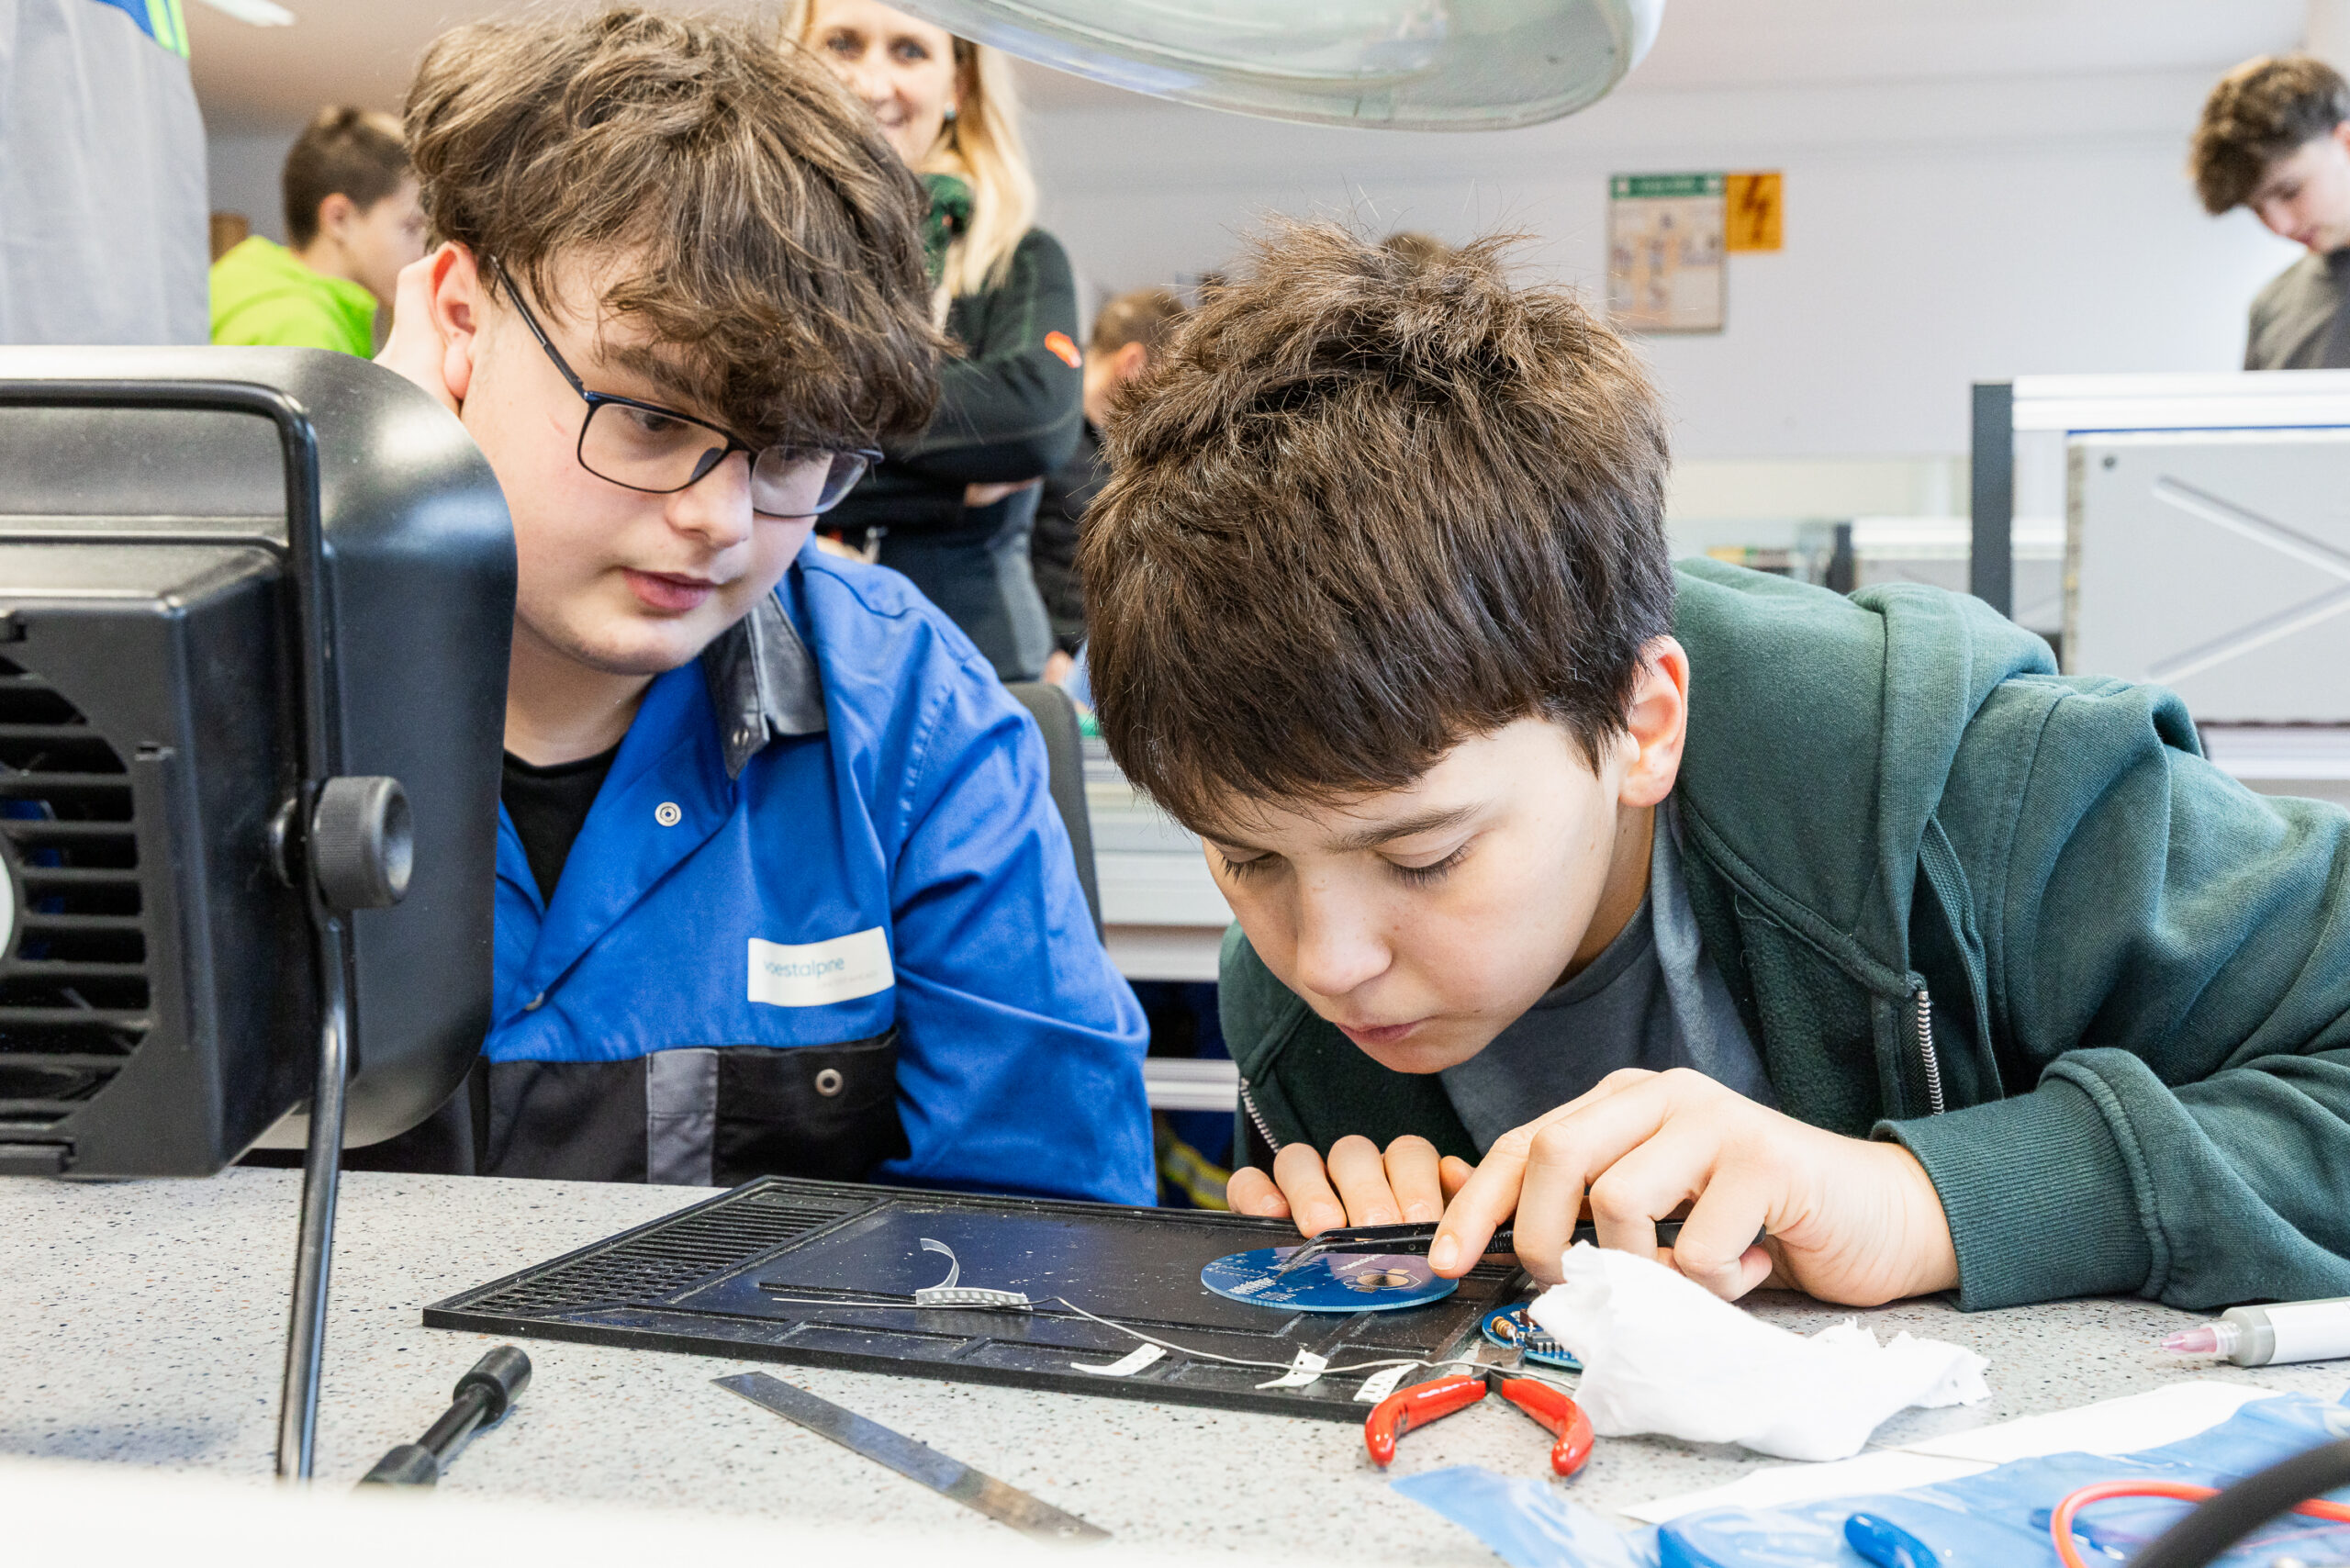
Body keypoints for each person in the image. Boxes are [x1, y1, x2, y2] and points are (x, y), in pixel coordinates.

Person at [1077, 222, 2350, 1313]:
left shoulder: (1979, 786)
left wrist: (1919, 1202)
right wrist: (1400, 1255)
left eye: (1424, 856)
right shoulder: (1297, 1002)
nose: (1325, 960)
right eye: (1244, 857)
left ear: (1643, 723)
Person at [374, 6, 1151, 1200]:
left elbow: (1047, 1237)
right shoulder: (228, 689)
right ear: (459, 321)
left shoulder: (910, 715)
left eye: (792, 453)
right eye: (649, 417)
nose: (722, 521)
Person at [792, 0, 1083, 682]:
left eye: (909, 50)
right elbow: (726, 438)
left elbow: (1035, 421)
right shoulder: (748, 250)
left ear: (959, 85)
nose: (871, 82)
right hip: (792, 648)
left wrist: (807, 431)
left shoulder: (1018, 259)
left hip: (976, 662)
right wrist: (949, 489)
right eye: (843, 43)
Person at [1032, 286, 1188, 682]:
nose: (1168, 402)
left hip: (1097, 668)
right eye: (1167, 382)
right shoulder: (1041, 437)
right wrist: (1043, 649)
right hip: (1043, 667)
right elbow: (1000, 545)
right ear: (1132, 363)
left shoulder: (1124, 456)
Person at [211, 107, 426, 355]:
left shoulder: (243, 286)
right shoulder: (306, 337)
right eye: (410, 227)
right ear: (339, 219)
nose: (423, 252)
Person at [2193, 56, 2350, 369]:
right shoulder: (2272, 310)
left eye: (2290, 191)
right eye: (2255, 208)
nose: (2278, 226)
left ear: (2346, 143)